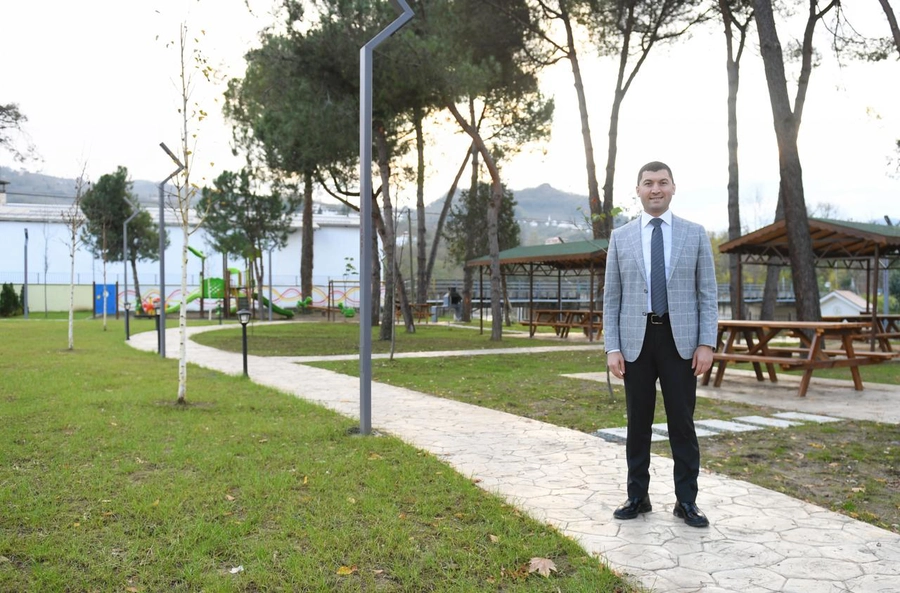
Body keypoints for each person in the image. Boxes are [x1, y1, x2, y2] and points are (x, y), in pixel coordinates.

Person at [602, 161, 718, 528]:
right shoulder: (620, 237)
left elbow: (708, 293)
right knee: (638, 422)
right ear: (638, 190)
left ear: (673, 188)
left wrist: (706, 342)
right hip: (635, 341)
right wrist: (612, 347)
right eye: (648, 183)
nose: (656, 189)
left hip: (680, 341)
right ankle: (638, 496)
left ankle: (687, 501)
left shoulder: (694, 234)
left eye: (663, 182)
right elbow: (612, 297)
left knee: (682, 422)